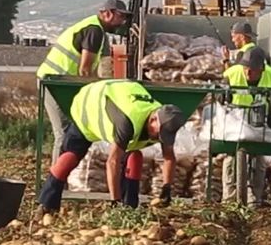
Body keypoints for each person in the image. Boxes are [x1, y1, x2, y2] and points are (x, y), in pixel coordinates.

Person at [37, 79, 185, 215]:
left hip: (120, 94)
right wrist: (114, 201)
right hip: (89, 106)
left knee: (135, 157)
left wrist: (167, 187)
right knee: (71, 156)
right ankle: (46, 205)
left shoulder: (164, 122)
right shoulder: (127, 122)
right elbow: (112, 162)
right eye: (160, 133)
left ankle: (129, 209)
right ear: (153, 119)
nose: (161, 138)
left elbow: (169, 158)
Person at [36, 0, 131, 149]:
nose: (122, 21)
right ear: (107, 13)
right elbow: (85, 69)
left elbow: (90, 68)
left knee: (72, 131)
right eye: (120, 16)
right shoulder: (94, 30)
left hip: (61, 82)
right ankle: (57, 172)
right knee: (64, 132)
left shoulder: (96, 30)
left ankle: (67, 169)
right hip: (53, 82)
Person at [220, 47, 271, 206]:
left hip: (261, 119)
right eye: (246, 69)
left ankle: (255, 197)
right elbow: (221, 99)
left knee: (261, 156)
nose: (248, 73)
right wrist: (224, 96)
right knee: (230, 157)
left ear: (261, 70)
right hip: (236, 120)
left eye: (252, 70)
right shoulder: (232, 73)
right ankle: (229, 197)